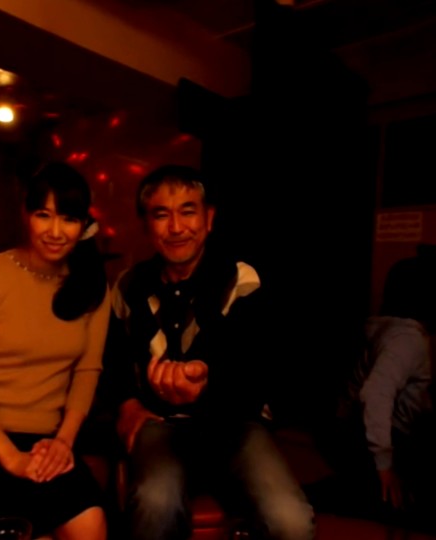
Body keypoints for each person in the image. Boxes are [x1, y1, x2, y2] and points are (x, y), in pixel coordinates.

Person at [101, 165, 315, 540]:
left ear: (209, 218)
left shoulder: (240, 279)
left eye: (188, 211)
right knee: (154, 503)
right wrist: (127, 405)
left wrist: (205, 387)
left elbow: (260, 372)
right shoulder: (128, 286)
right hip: (161, 423)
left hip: (237, 424)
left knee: (291, 521)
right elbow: (113, 364)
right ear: (146, 225)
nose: (176, 227)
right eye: (161, 214)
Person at [0, 162, 110, 540]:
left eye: (68, 219)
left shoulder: (91, 285)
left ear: (83, 225)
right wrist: (12, 459)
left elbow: (88, 370)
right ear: (26, 215)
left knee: (91, 524)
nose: (55, 231)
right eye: (44, 215)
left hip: (46, 439)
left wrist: (63, 442)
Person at [328, 248, 436, 524]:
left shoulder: (391, 330)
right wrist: (385, 465)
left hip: (358, 429)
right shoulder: (406, 340)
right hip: (381, 437)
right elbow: (375, 393)